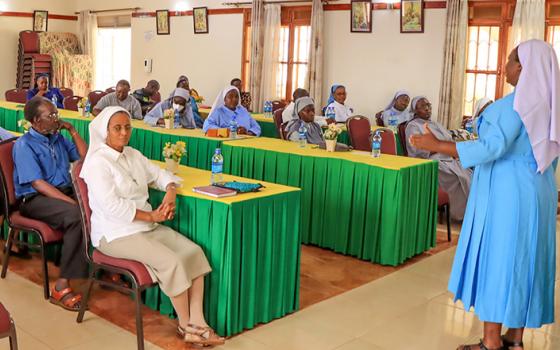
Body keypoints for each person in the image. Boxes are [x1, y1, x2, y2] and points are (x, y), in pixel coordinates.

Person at [410, 40, 559, 350]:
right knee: (526, 259)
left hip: (508, 193)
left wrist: (436, 146)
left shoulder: (513, 105)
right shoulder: (551, 104)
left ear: (521, 68)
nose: (504, 65)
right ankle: (515, 339)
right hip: (540, 191)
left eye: (508, 60)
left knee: (500, 258)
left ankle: (490, 342)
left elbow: (490, 148)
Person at [80, 106, 225, 346]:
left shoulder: (133, 155)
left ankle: (198, 322)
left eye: (127, 127)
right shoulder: (98, 163)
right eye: (117, 128)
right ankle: (185, 325)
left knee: (194, 253)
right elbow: (112, 207)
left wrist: (170, 192)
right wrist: (153, 217)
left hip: (146, 227)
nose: (124, 133)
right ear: (105, 132)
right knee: (174, 261)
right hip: (115, 233)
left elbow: (160, 175)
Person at [13, 96, 89, 311]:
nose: (57, 118)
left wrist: (72, 130)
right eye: (51, 115)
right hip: (36, 199)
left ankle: (104, 268)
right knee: (77, 215)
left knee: (100, 205)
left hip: (62, 192)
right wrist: (73, 203)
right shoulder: (24, 145)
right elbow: (37, 184)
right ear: (36, 121)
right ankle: (62, 285)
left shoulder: (58, 138)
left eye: (57, 114)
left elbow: (85, 157)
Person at [405, 96, 471, 221]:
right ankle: (459, 214)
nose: (428, 108)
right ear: (415, 110)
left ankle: (470, 211)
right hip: (429, 161)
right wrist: (440, 148)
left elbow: (449, 139)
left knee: (469, 173)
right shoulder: (413, 126)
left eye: (429, 105)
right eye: (423, 106)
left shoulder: (434, 123)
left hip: (447, 157)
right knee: (457, 177)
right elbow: (417, 150)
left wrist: (447, 149)